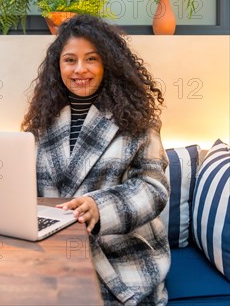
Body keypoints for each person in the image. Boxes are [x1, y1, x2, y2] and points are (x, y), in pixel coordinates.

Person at [22, 15, 171, 305]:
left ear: (108, 65)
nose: (80, 69)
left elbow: (154, 188)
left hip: (120, 257)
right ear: (58, 67)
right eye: (70, 60)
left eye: (91, 59)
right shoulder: (41, 124)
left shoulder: (139, 122)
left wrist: (99, 208)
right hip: (55, 254)